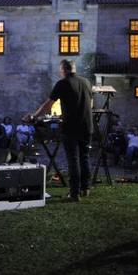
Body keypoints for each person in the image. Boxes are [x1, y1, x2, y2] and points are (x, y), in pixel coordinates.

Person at [25, 59, 93, 201]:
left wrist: (34, 116)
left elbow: (48, 105)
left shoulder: (62, 83)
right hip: (87, 126)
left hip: (71, 128)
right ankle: (85, 189)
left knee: (73, 159)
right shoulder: (86, 82)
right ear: (74, 68)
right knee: (84, 157)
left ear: (63, 70)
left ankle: (74, 194)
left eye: (60, 70)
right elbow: (90, 103)